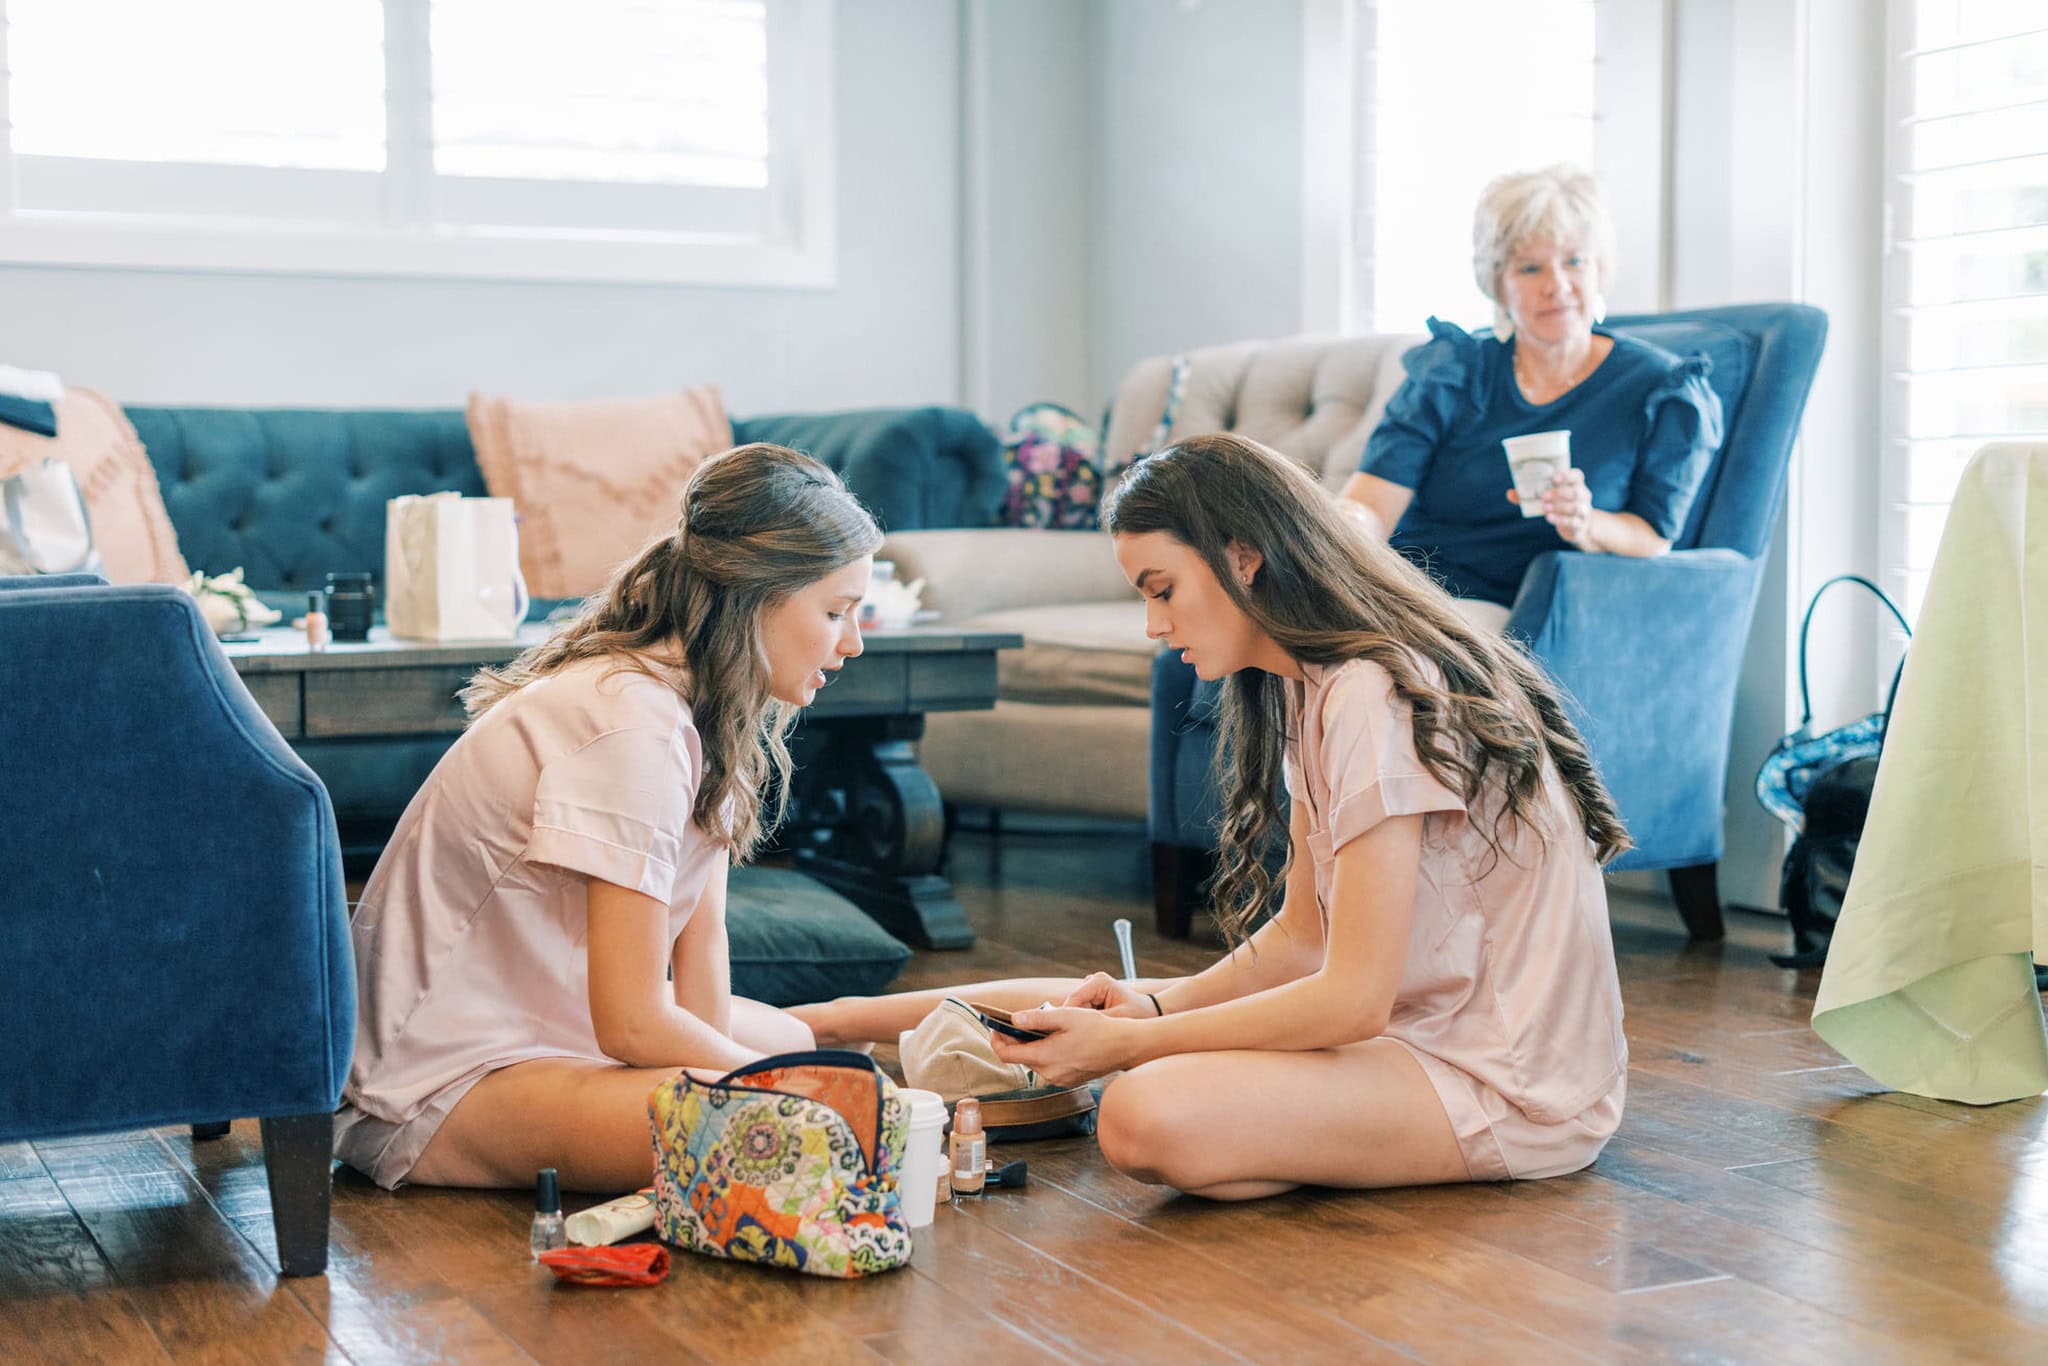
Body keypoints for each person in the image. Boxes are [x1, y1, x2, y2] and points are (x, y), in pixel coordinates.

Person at [796, 434, 1630, 1198]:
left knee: (1139, 1110)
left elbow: (1352, 1003)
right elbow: (1303, 939)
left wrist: (1133, 1048)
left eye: (1163, 590)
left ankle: (1276, 1126)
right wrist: (1153, 1018)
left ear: (1244, 556)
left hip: (1502, 1083)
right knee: (1123, 1009)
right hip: (1410, 1032)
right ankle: (819, 1026)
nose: (1154, 626)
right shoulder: (1316, 686)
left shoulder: (1374, 691)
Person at [336, 443, 882, 1193]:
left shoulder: (700, 709)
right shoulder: (633, 730)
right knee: (789, 1118)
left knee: (794, 1054)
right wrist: (806, 1097)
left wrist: (783, 1078)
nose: (853, 643)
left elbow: (701, 957)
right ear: (758, 596)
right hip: (434, 1079)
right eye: (836, 612)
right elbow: (629, 1023)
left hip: (545, 1023)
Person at [1340, 163, 1722, 632]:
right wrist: (1333, 529)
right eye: (1530, 267)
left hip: (1520, 611)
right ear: (1499, 283)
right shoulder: (1454, 370)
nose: (1556, 285)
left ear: (1600, 269)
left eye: (1574, 261)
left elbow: (1653, 536)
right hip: (1410, 591)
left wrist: (1586, 523)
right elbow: (1372, 506)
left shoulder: (1659, 389)